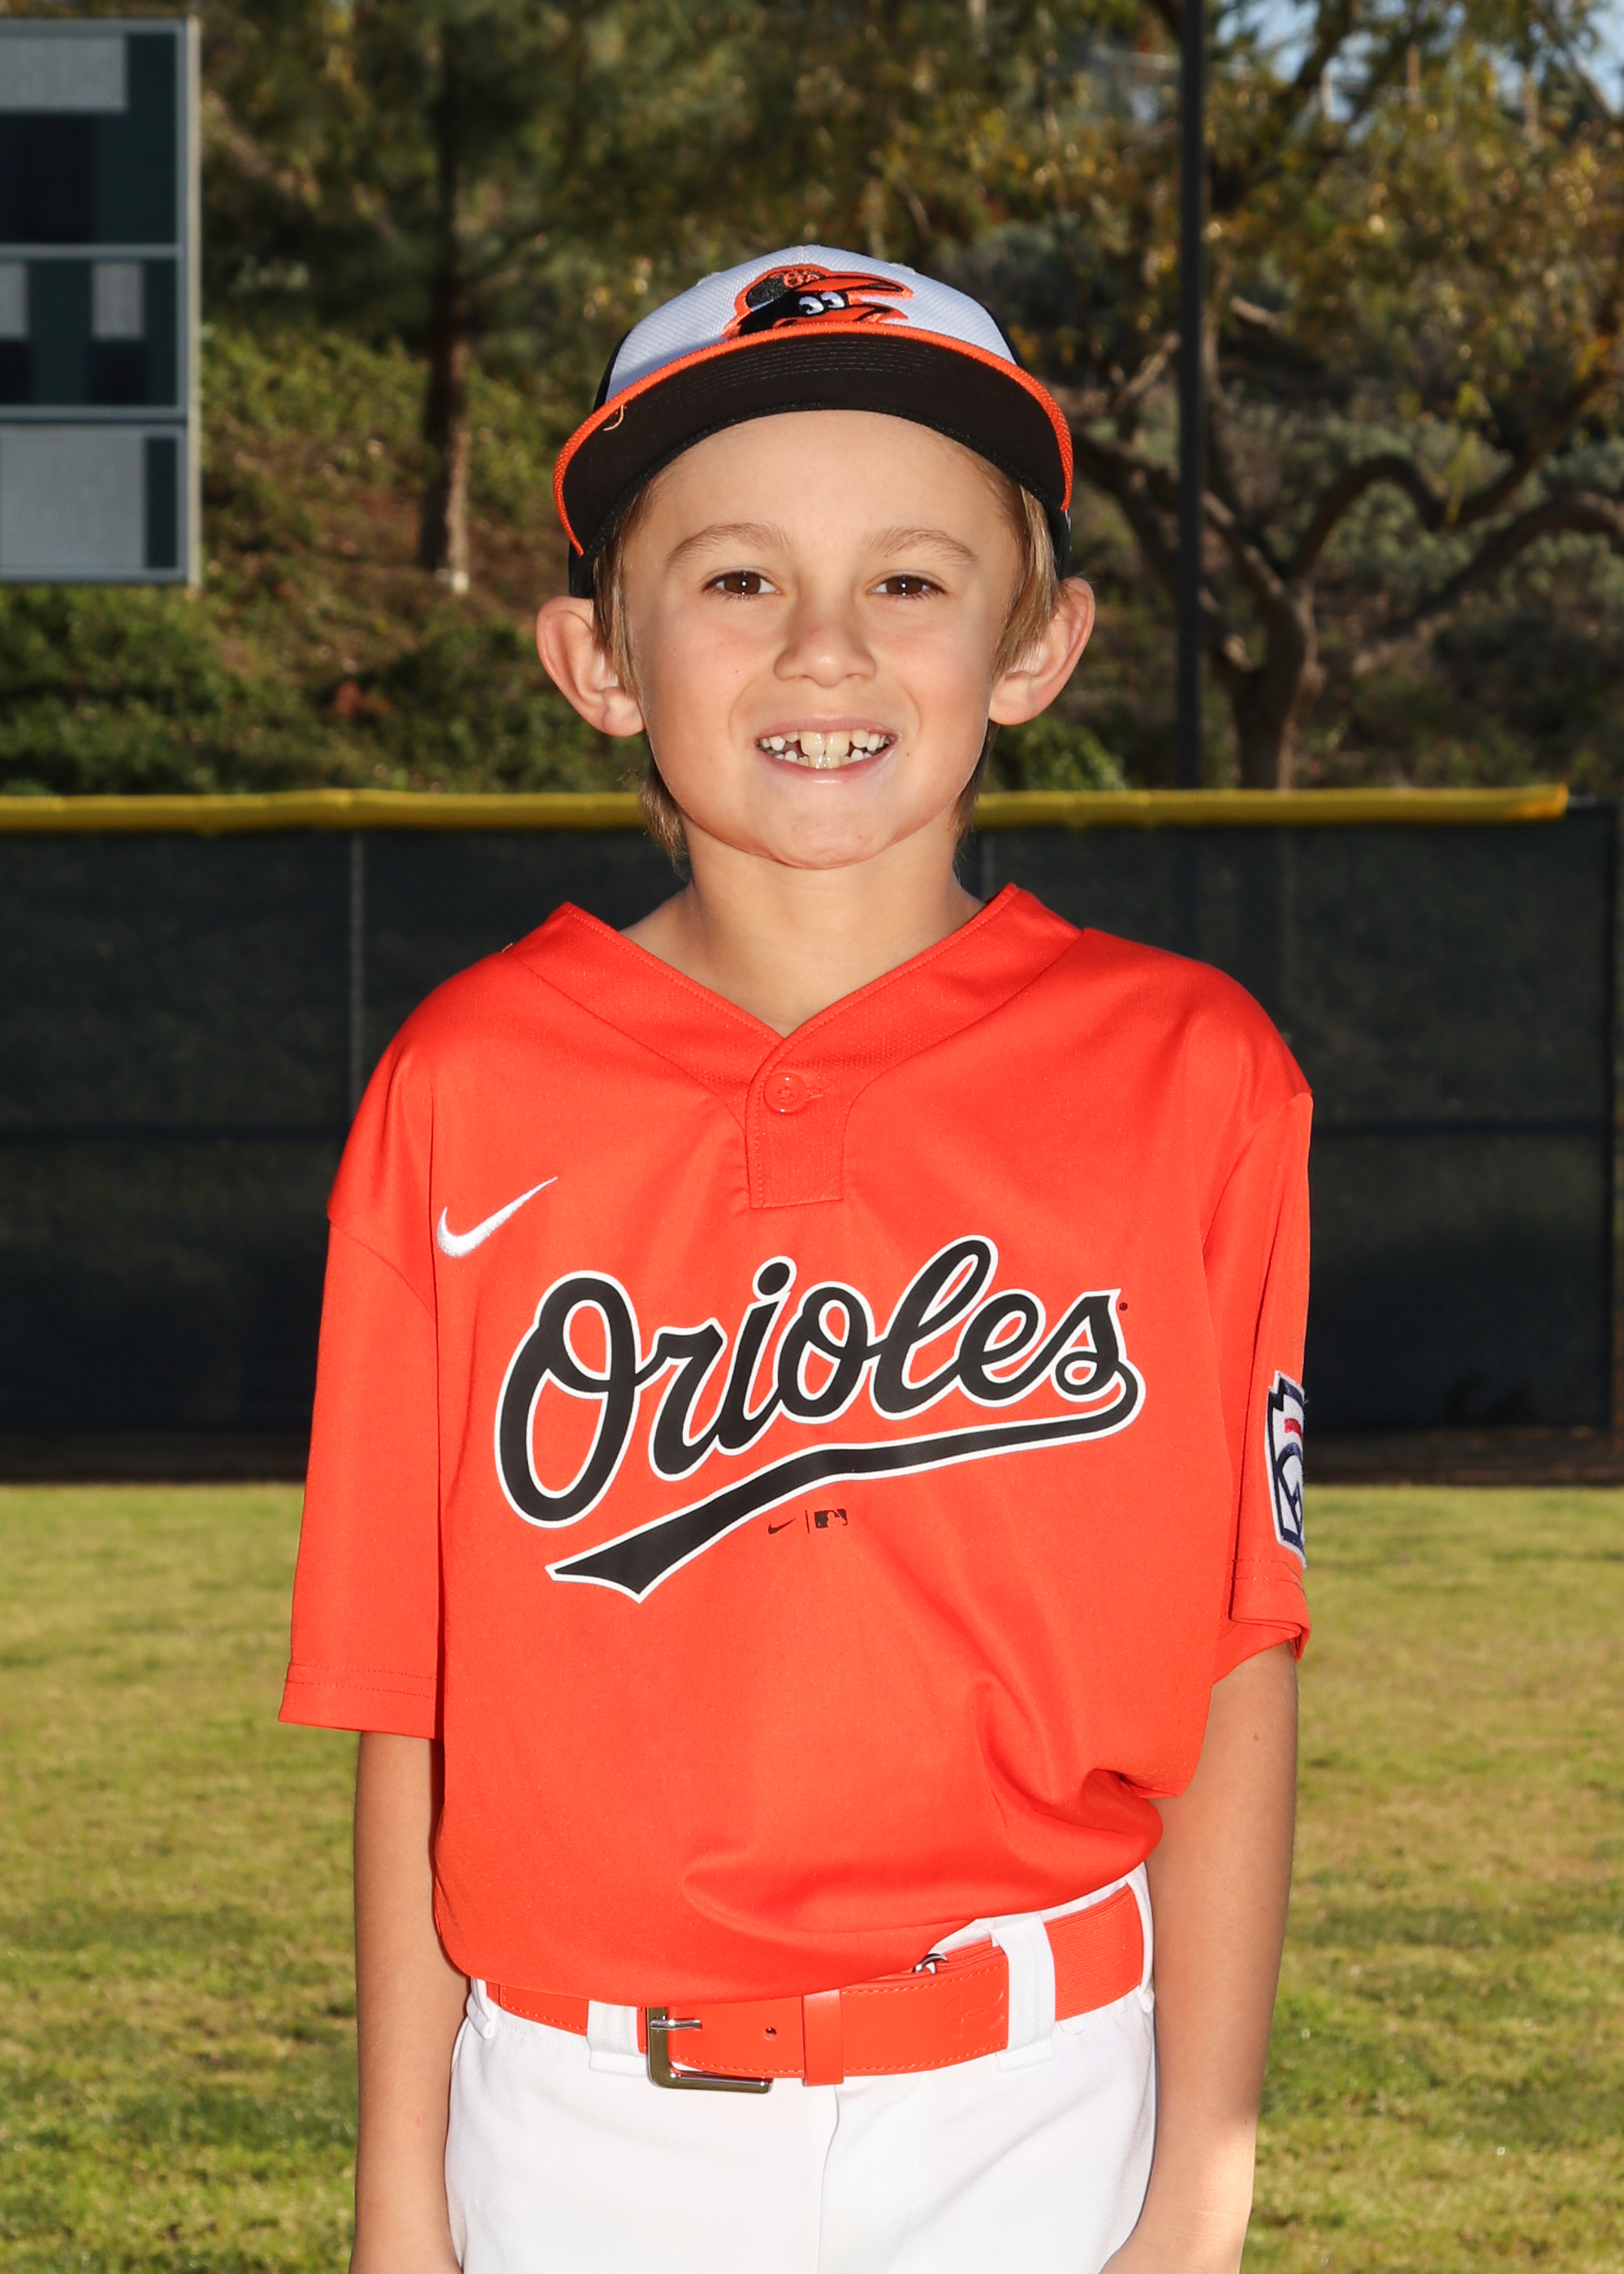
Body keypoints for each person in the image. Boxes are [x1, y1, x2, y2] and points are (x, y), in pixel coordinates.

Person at [279, 245, 1311, 2274]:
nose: (825, 647)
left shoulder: (1191, 1071)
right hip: (579, 2116)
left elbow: (1236, 1648)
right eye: (737, 577)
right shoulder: (462, 1087)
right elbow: (416, 1699)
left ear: (1037, 643)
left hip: (1043, 2094)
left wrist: (1201, 2176)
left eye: (910, 580)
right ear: (597, 657)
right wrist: (402, 2203)